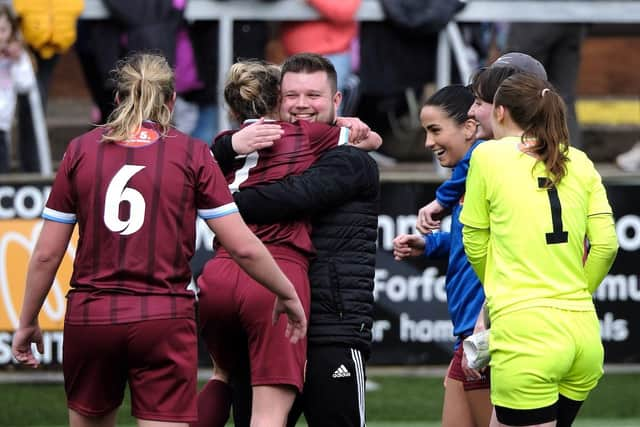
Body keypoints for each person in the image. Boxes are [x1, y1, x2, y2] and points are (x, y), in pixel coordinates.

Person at [11, 52, 306, 427]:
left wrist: (27, 320)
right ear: (171, 101)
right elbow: (244, 246)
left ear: (117, 99)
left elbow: (45, 255)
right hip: (163, 318)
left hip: (92, 315)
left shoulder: (80, 150)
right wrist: (287, 293)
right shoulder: (192, 153)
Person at [195, 58, 380, 427]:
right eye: (290, 95)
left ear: (337, 100)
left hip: (330, 326)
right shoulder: (289, 139)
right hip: (273, 303)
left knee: (223, 378)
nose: (301, 104)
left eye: (314, 95)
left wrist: (220, 200)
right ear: (274, 100)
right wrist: (228, 151)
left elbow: (296, 194)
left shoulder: (351, 160)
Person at [460, 73, 618, 427]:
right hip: (583, 335)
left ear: (499, 112)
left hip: (525, 334)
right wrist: (576, 294)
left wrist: (499, 292)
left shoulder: (487, 155)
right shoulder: (580, 160)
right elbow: (606, 246)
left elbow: (473, 238)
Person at [392, 84, 492, 427]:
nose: (428, 142)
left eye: (435, 130)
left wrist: (439, 201)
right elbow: (474, 239)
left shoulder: (484, 167)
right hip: (468, 332)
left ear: (469, 126)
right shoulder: (474, 180)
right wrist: (431, 245)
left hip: (486, 331)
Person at [416, 52, 548, 233]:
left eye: (479, 102)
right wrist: (432, 244)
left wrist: (440, 200)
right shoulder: (570, 158)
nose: (470, 111)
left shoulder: (488, 159)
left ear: (505, 106)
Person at [13, 0, 83, 172]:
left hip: (51, 36)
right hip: (24, 33)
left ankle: (33, 168)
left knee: (33, 105)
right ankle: (32, 167)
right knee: (25, 106)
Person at [0, 5, 35, 173]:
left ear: (11, 31)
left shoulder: (16, 57)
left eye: (2, 30)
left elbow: (25, 85)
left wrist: (18, 61)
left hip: (2, 128)